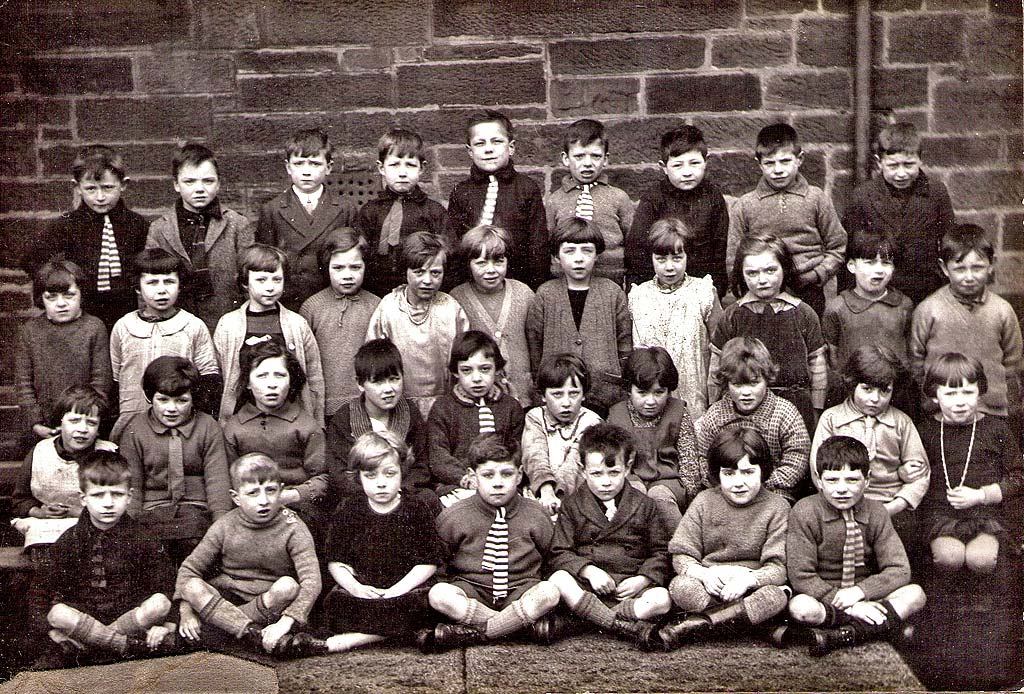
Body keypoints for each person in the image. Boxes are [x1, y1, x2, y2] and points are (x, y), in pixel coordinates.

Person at [782, 435, 926, 657]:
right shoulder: (805, 511)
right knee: (800, 608)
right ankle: (877, 626)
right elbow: (801, 576)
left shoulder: (876, 512)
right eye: (832, 480)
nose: (842, 489)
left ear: (867, 481)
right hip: (826, 599)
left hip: (867, 596)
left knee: (915, 594)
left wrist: (861, 592)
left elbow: (899, 569)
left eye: (852, 480)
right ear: (819, 480)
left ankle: (838, 636)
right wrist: (845, 603)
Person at [417, 434, 560, 652]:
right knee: (439, 594)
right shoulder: (455, 516)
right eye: (488, 475)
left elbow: (552, 560)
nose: (498, 483)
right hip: (472, 592)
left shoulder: (535, 513)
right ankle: (516, 629)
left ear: (520, 474)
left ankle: (473, 633)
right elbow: (439, 566)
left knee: (550, 592)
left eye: (507, 474)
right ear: (473, 476)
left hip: (520, 592)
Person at [36, 450, 178, 667]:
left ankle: (95, 646)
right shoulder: (70, 540)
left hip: (128, 616)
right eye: (98, 495)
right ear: (83, 498)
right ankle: (123, 646)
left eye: (117, 494)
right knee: (58, 614)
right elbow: (41, 591)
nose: (108, 503)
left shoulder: (143, 538)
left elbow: (166, 585)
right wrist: (49, 631)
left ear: (129, 496)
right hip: (86, 616)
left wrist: (167, 625)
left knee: (159, 604)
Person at [175, 453, 325, 657]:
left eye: (271, 491)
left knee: (288, 586)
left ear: (281, 490)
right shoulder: (224, 525)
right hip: (228, 598)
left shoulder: (293, 527)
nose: (263, 500)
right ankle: (252, 635)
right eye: (253, 493)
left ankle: (225, 631)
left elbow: (312, 582)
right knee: (192, 586)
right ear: (236, 498)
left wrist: (286, 622)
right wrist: (186, 612)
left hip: (268, 602)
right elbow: (189, 569)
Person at [660, 425, 790, 649]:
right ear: (717, 474)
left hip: (751, 588)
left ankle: (698, 625)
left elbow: (779, 567)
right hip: (710, 587)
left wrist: (750, 579)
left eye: (748, 472)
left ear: (764, 470)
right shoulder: (704, 501)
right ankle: (753, 625)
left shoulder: (778, 507)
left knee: (775, 595)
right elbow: (681, 555)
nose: (738, 482)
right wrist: (703, 574)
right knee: (680, 586)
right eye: (729, 473)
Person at [547, 423, 672, 649]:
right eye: (596, 473)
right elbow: (559, 552)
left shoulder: (645, 505)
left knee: (662, 598)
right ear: (582, 470)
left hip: (629, 589)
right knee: (558, 581)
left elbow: (660, 552)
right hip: (588, 587)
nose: (606, 482)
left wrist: (643, 579)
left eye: (614, 472)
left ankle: (587, 621)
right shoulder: (573, 505)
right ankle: (620, 624)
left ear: (627, 467)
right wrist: (589, 571)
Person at [321, 432, 443, 653]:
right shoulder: (350, 509)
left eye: (389, 474)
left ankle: (357, 639)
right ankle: (402, 633)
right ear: (358, 477)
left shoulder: (415, 508)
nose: (381, 484)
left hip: (406, 589)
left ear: (402, 472)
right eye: (371, 476)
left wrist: (397, 590)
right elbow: (336, 560)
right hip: (365, 589)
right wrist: (356, 588)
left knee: (424, 606)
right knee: (335, 604)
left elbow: (429, 561)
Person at [118, 356, 231, 565]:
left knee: (197, 545)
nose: (172, 408)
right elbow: (132, 486)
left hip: (196, 512)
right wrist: (128, 528)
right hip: (151, 513)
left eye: (181, 400)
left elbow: (218, 482)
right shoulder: (136, 429)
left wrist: (220, 527)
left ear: (193, 398)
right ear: (150, 397)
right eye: (163, 400)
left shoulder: (207, 427)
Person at [917, 353, 1022, 577]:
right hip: (940, 514)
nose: (960, 401)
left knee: (981, 560)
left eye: (968, 392)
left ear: (980, 391)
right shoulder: (925, 431)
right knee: (949, 558)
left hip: (985, 514)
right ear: (935, 395)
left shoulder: (996, 429)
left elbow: (1019, 476)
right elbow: (911, 466)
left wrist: (982, 495)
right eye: (950, 393)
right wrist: (905, 470)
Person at [810, 345, 928, 545]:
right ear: (852, 384)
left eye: (884, 391)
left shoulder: (901, 423)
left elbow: (920, 474)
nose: (875, 398)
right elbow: (817, 468)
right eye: (867, 389)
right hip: (840, 502)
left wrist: (896, 505)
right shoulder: (831, 419)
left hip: (891, 505)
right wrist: (841, 501)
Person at [909, 224, 1023, 429]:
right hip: (941, 414)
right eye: (960, 269)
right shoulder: (929, 310)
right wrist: (933, 401)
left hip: (991, 413)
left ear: (991, 264)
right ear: (944, 268)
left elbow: (1012, 363)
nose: (969, 277)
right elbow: (916, 362)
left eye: (977, 267)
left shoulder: (1002, 311)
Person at [22, 145, 148, 331]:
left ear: (123, 184)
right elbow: (31, 260)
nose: (100, 197)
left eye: (107, 188)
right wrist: (61, 283)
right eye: (90, 188)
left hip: (127, 311)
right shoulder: (67, 224)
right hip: (83, 313)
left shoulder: (137, 224)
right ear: (77, 187)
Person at [711, 233, 826, 433]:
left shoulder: (804, 314)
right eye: (752, 273)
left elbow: (817, 365)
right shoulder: (733, 316)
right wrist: (713, 403)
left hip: (797, 405)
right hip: (743, 408)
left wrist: (816, 408)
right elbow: (716, 369)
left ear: (785, 268)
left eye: (771, 270)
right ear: (741, 274)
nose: (762, 280)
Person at [732, 123, 846, 317]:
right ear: (759, 164)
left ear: (799, 159)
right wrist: (743, 288)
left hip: (809, 288)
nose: (778, 170)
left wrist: (817, 274)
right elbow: (733, 256)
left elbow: (838, 247)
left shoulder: (816, 198)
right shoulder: (745, 205)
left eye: (785, 161)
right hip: (761, 288)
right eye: (769, 163)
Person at [109, 248, 220, 439]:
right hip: (132, 424)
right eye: (152, 282)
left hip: (179, 423)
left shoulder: (192, 326)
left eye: (169, 282)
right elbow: (116, 379)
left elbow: (208, 377)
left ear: (179, 286)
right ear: (138, 287)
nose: (162, 290)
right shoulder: (123, 327)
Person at [841, 122, 956, 305]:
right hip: (880, 290)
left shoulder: (936, 192)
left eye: (909, 165)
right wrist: (849, 298)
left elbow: (950, 240)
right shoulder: (863, 196)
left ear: (920, 160)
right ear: (880, 162)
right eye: (893, 166)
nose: (901, 174)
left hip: (925, 289)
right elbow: (850, 250)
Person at [526, 219, 632, 415]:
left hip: (606, 393)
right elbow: (535, 344)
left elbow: (624, 343)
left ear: (597, 255)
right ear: (557, 256)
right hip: (561, 392)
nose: (579, 258)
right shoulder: (545, 294)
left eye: (586, 250)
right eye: (569, 251)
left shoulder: (612, 293)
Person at [145, 142, 254, 331]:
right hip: (176, 325)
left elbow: (250, 280)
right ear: (176, 184)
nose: (200, 189)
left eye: (208, 181)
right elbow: (149, 279)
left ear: (219, 183)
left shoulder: (237, 225)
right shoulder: (160, 229)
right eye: (190, 181)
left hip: (227, 322)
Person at [213, 244, 325, 425]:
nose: (270, 287)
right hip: (242, 416)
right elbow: (219, 373)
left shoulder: (297, 324)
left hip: (289, 415)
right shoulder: (228, 325)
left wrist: (317, 423)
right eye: (261, 280)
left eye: (276, 279)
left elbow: (313, 375)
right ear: (244, 282)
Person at [222, 340, 327, 534]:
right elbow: (227, 480)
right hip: (249, 509)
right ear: (248, 384)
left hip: (297, 508)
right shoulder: (234, 428)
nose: (272, 384)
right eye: (261, 376)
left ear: (291, 380)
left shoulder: (306, 426)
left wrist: (291, 495)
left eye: (279, 375)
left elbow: (322, 478)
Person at [366, 231, 469, 418]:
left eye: (435, 273)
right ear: (405, 271)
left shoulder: (450, 308)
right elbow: (374, 359)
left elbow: (466, 356)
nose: (428, 280)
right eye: (419, 272)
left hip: (446, 406)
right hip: (398, 406)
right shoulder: (389, 308)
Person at [628, 217, 722, 418]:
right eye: (661, 259)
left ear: (688, 256)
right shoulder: (638, 296)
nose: (669, 267)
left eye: (677, 258)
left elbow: (720, 346)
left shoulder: (703, 292)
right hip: (651, 395)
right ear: (651, 258)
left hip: (694, 391)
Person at [696, 337, 810, 503]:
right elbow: (702, 457)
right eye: (737, 384)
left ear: (766, 379)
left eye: (754, 383)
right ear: (726, 383)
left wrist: (757, 485)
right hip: (725, 491)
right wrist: (725, 485)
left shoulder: (785, 413)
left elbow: (797, 460)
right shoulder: (715, 415)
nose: (746, 392)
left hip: (772, 491)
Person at [444, 110, 548, 290]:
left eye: (497, 141)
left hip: (518, 283)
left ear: (511, 147)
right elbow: (454, 246)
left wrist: (535, 289)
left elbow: (538, 246)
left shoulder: (526, 188)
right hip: (471, 286)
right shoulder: (461, 192)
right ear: (470, 151)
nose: (489, 149)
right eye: (480, 143)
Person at [256, 128, 358, 310]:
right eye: (299, 163)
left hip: (331, 298)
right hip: (289, 300)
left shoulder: (345, 208)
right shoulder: (272, 209)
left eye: (315, 164)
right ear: (288, 167)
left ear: (329, 167)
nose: (306, 171)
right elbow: (265, 262)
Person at [325, 338, 434, 510]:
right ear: (360, 384)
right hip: (361, 497)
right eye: (378, 382)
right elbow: (339, 475)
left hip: (403, 493)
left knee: (428, 500)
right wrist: (373, 494)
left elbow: (421, 467)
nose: (388, 389)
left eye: (394, 379)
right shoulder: (344, 418)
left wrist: (396, 491)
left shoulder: (410, 413)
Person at [625, 125, 729, 296]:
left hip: (700, 287)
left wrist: (715, 291)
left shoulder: (713, 197)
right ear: (664, 167)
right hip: (661, 286)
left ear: (706, 161)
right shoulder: (653, 198)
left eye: (694, 163)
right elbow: (638, 250)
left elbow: (718, 250)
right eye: (678, 165)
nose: (687, 172)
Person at [16, 259, 112, 442]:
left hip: (84, 424)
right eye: (51, 297)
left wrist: (84, 419)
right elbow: (23, 384)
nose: (61, 303)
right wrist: (36, 423)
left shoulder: (94, 328)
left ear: (81, 294)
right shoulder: (30, 331)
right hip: (42, 427)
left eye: (69, 295)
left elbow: (101, 382)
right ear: (40, 298)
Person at [11, 386, 116, 551]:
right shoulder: (40, 451)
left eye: (91, 423)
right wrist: (40, 512)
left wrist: (81, 512)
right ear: (61, 420)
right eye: (74, 421)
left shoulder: (108, 455)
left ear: (99, 427)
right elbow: (20, 500)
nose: (82, 429)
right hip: (48, 530)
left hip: (95, 527)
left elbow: (117, 502)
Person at [427, 331, 525, 505]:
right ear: (456, 372)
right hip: (460, 487)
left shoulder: (510, 407)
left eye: (485, 369)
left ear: (497, 369)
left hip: (503, 485)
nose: (477, 378)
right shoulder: (443, 408)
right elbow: (439, 458)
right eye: (467, 370)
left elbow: (518, 452)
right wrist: (467, 479)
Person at [822, 229, 914, 412]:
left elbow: (909, 351)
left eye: (886, 263)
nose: (879, 270)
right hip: (852, 397)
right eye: (870, 262)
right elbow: (832, 357)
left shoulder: (904, 305)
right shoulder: (837, 308)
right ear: (851, 266)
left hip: (894, 396)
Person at [607, 347, 700, 526]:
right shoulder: (617, 415)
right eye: (642, 393)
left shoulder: (679, 412)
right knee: (634, 495)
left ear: (669, 390)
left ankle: (678, 545)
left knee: (660, 497)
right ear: (629, 389)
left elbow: (690, 465)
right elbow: (611, 461)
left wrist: (689, 497)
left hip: (669, 483)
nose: (651, 401)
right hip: (631, 479)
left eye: (659, 392)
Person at [299, 228, 381, 418]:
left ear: (365, 266)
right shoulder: (312, 308)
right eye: (338, 268)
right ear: (326, 266)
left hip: (367, 403)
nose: (347, 275)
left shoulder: (377, 305)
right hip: (324, 404)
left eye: (355, 267)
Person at [450, 224, 535, 406]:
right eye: (481, 263)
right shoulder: (457, 298)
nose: (491, 270)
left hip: (523, 395)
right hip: (480, 398)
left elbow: (536, 344)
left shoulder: (524, 293)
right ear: (468, 264)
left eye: (498, 261)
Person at [356, 128, 446, 297]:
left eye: (410, 165)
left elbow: (448, 256)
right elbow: (360, 255)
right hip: (377, 294)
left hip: (422, 292)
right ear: (381, 167)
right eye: (395, 164)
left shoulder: (434, 211)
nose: (402, 173)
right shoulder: (370, 212)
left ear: (421, 168)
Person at [544, 118, 634, 285]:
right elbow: (548, 243)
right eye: (579, 156)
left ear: (605, 159)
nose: (587, 163)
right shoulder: (555, 200)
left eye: (595, 156)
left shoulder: (618, 197)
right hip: (565, 280)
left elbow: (633, 243)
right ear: (566, 158)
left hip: (610, 278)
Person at [521, 353, 604, 516]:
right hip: (539, 491)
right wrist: (546, 491)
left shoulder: (592, 421)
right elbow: (534, 454)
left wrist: (556, 495)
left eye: (574, 393)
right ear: (544, 395)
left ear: (584, 394)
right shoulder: (535, 417)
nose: (566, 403)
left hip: (578, 495)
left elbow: (575, 464)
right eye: (557, 394)